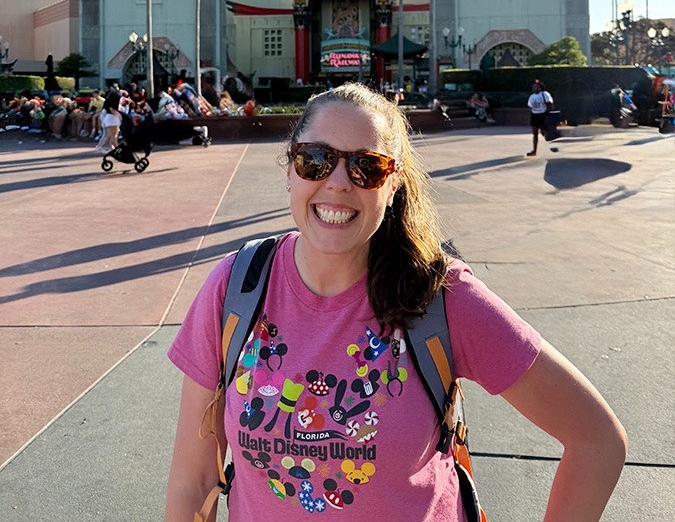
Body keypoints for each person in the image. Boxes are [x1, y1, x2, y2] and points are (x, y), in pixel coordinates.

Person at [164, 83, 626, 522]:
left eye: (367, 166)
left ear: (394, 183)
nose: (339, 183)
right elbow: (196, 479)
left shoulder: (440, 295)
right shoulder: (236, 288)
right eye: (316, 160)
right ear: (290, 168)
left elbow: (596, 439)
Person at [526, 79, 555, 156]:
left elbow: (550, 104)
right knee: (535, 133)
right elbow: (530, 107)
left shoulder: (544, 94)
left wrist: (548, 113)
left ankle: (552, 142)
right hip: (535, 115)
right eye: (533, 87)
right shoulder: (531, 96)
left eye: (535, 86)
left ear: (539, 88)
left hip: (543, 115)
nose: (534, 88)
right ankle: (534, 151)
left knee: (545, 132)